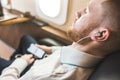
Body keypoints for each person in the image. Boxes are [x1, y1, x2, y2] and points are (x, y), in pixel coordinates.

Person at [0, 0, 120, 80]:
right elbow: (71, 51)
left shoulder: (54, 75)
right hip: (42, 63)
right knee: (26, 39)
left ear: (100, 35)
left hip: (24, 73)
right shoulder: (86, 50)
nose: (78, 12)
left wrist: (20, 63)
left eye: (87, 11)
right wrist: (50, 50)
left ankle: (12, 61)